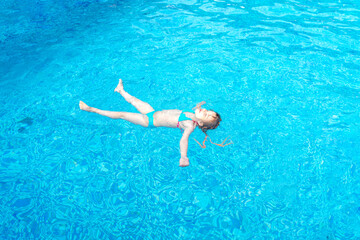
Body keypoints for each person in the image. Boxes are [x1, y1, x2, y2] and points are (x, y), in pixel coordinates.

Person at [79, 79, 231, 167]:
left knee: (122, 114)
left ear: (202, 125)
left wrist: (183, 156)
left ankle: (91, 109)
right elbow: (194, 110)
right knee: (134, 100)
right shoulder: (193, 114)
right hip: (152, 112)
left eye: (206, 115)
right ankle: (120, 90)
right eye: (207, 111)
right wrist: (200, 109)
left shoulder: (190, 125)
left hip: (149, 120)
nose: (204, 111)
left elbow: (184, 139)